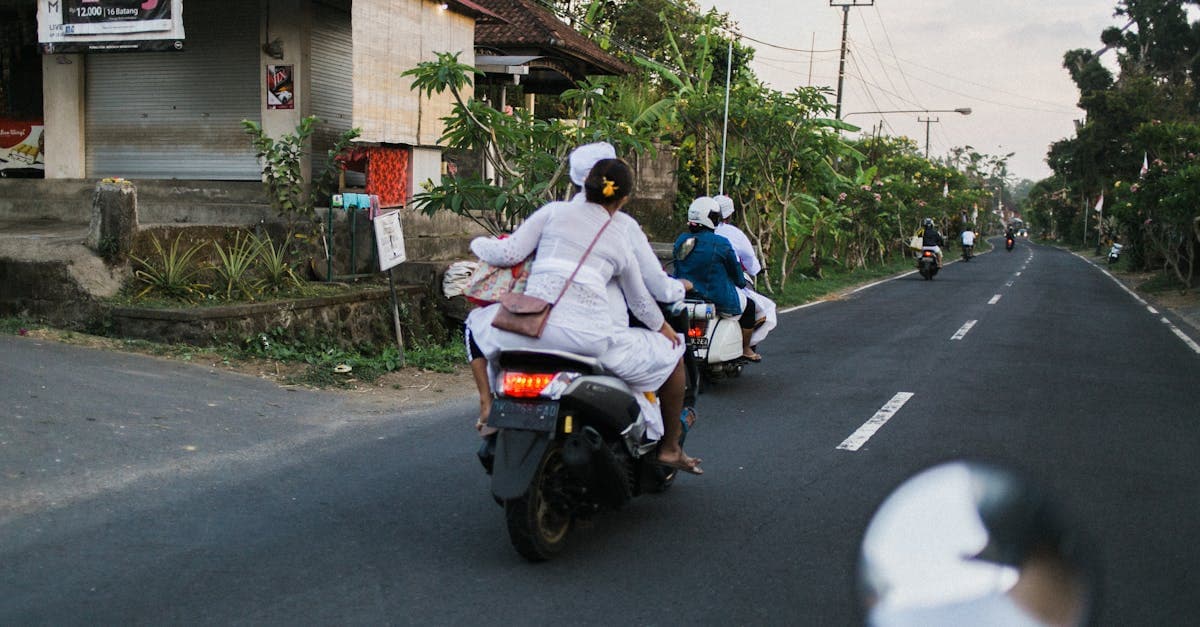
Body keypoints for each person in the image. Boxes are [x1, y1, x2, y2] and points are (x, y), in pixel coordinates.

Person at [466, 159, 702, 474]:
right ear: (623, 200)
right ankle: (670, 449)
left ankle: (489, 403)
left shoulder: (552, 212)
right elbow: (641, 301)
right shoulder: (622, 234)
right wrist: (664, 329)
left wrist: (476, 243)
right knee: (674, 354)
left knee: (474, 323)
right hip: (586, 340)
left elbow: (507, 253)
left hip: (527, 328)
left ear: (583, 183)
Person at [672, 197, 760, 362]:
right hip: (719, 300)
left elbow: (678, 268)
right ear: (711, 219)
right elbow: (739, 279)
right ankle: (746, 348)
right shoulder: (721, 243)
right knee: (750, 307)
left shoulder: (681, 241)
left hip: (686, 298)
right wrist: (740, 281)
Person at [713, 194, 776, 353]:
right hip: (723, 283)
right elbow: (747, 258)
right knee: (755, 308)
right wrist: (755, 270)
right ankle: (746, 347)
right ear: (729, 215)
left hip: (697, 285)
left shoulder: (691, 237)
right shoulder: (731, 235)